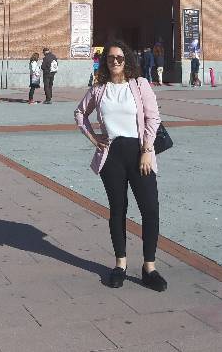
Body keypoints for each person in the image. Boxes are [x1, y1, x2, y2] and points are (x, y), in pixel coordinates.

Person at [74, 40, 167, 292]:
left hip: (139, 154)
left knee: (150, 209)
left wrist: (147, 150)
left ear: (127, 60)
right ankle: (120, 265)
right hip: (112, 157)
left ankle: (149, 267)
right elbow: (80, 114)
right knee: (118, 210)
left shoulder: (140, 85)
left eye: (119, 58)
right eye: (110, 58)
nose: (114, 62)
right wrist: (94, 138)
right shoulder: (98, 90)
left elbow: (153, 117)